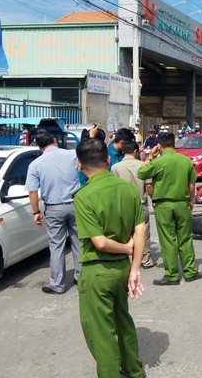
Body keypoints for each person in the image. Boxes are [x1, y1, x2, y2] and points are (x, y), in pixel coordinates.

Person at [73, 138, 145, 378]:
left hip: (98, 271)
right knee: (123, 319)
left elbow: (100, 243)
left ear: (79, 165)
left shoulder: (84, 196)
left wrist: (126, 249)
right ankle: (134, 370)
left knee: (101, 332)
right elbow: (140, 229)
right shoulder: (127, 188)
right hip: (123, 269)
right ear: (107, 160)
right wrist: (135, 267)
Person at [137, 132, 202, 285]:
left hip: (163, 205)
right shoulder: (185, 161)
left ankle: (172, 275)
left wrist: (150, 157)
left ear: (159, 145)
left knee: (167, 239)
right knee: (185, 238)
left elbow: (141, 173)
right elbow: (191, 185)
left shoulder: (158, 162)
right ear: (174, 144)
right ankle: (190, 272)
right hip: (182, 204)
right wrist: (191, 201)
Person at [25, 129, 82, 294]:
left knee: (56, 246)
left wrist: (36, 212)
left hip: (54, 208)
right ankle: (81, 277)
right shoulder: (71, 155)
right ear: (55, 141)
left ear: (39, 146)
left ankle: (57, 285)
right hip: (75, 204)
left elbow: (33, 192)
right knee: (78, 241)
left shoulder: (35, 164)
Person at [111, 140, 156, 269]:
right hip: (140, 204)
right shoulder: (143, 165)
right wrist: (154, 200)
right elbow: (149, 186)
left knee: (124, 232)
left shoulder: (115, 167)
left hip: (122, 205)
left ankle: (126, 258)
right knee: (143, 232)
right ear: (135, 151)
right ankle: (145, 260)